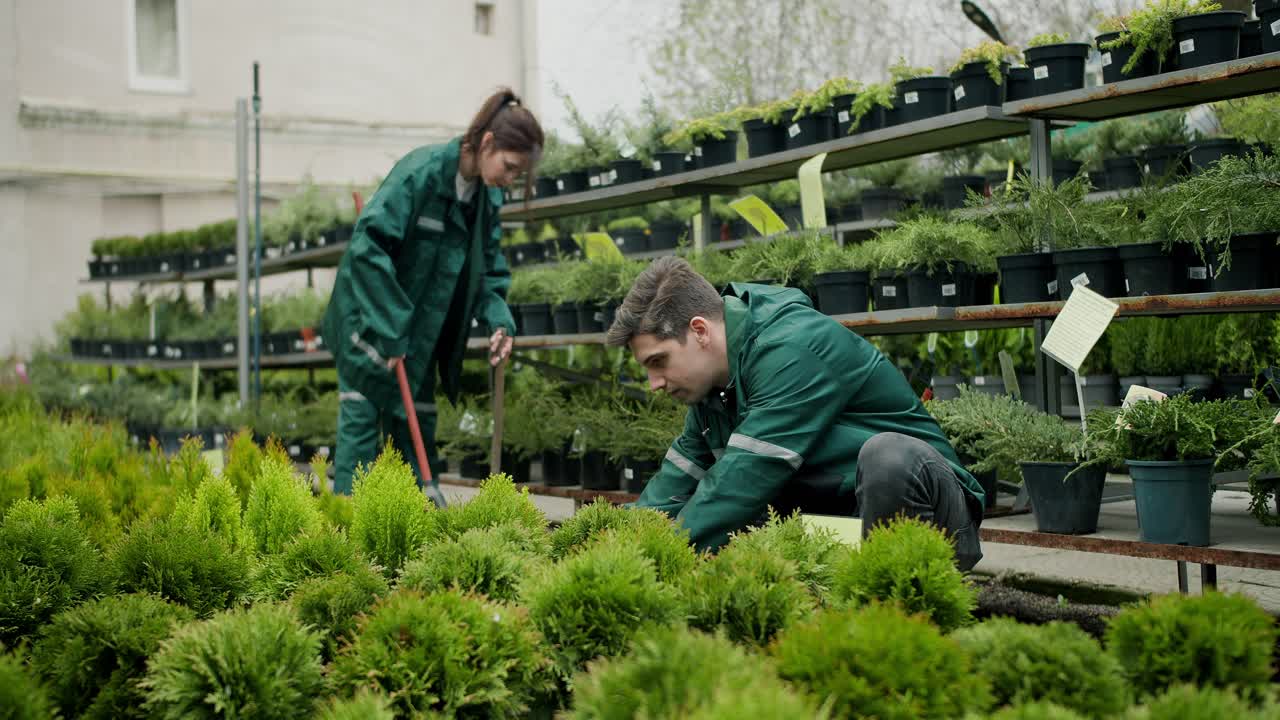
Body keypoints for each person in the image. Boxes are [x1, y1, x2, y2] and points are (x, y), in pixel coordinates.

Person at [605, 256, 985, 569]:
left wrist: (655, 560)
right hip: (840, 517)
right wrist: (614, 550)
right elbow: (673, 484)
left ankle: (892, 609)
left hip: (934, 511)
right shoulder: (714, 392)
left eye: (659, 361)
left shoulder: (793, 347)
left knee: (887, 456)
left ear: (700, 331)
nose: (654, 383)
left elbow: (741, 481)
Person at [321, 87, 543, 499]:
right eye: (510, 168)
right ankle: (348, 528)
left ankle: (423, 507)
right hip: (369, 322)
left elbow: (490, 270)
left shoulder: (484, 200)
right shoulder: (418, 174)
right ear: (487, 143)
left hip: (419, 332)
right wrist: (389, 326)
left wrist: (499, 319)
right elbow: (367, 248)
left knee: (416, 421)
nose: (510, 181)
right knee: (363, 420)